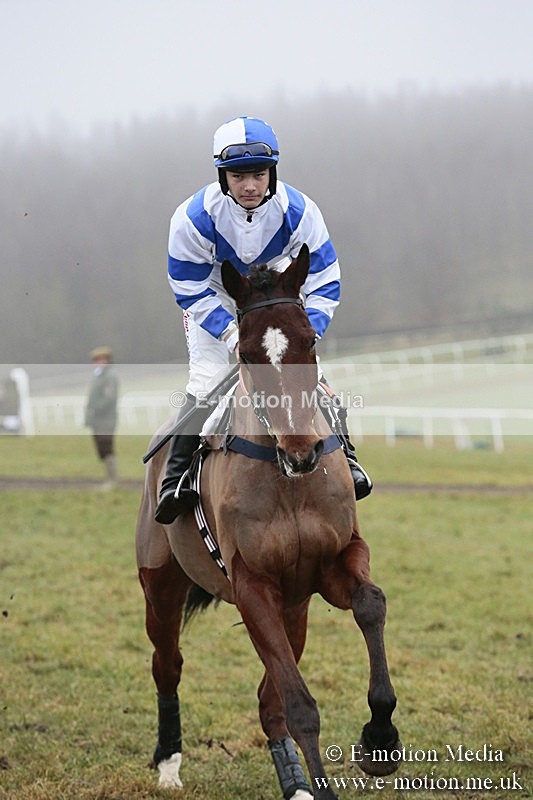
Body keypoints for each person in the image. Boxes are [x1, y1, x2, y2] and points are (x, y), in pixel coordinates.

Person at [155, 115, 372, 524]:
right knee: (206, 378)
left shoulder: (300, 210)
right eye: (239, 176)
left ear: (272, 172)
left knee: (311, 373)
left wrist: (308, 333)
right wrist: (231, 331)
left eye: (258, 174)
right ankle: (175, 479)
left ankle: (351, 461)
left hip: (278, 297)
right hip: (216, 298)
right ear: (223, 177)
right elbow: (188, 286)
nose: (250, 186)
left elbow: (325, 278)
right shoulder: (191, 219)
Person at [85, 346, 119, 489]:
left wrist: (95, 409)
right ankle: (109, 479)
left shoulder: (110, 376)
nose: (97, 363)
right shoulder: (98, 376)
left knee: (107, 448)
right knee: (102, 449)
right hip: (97, 420)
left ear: (106, 360)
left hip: (106, 419)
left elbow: (109, 399)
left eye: (99, 359)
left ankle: (112, 480)